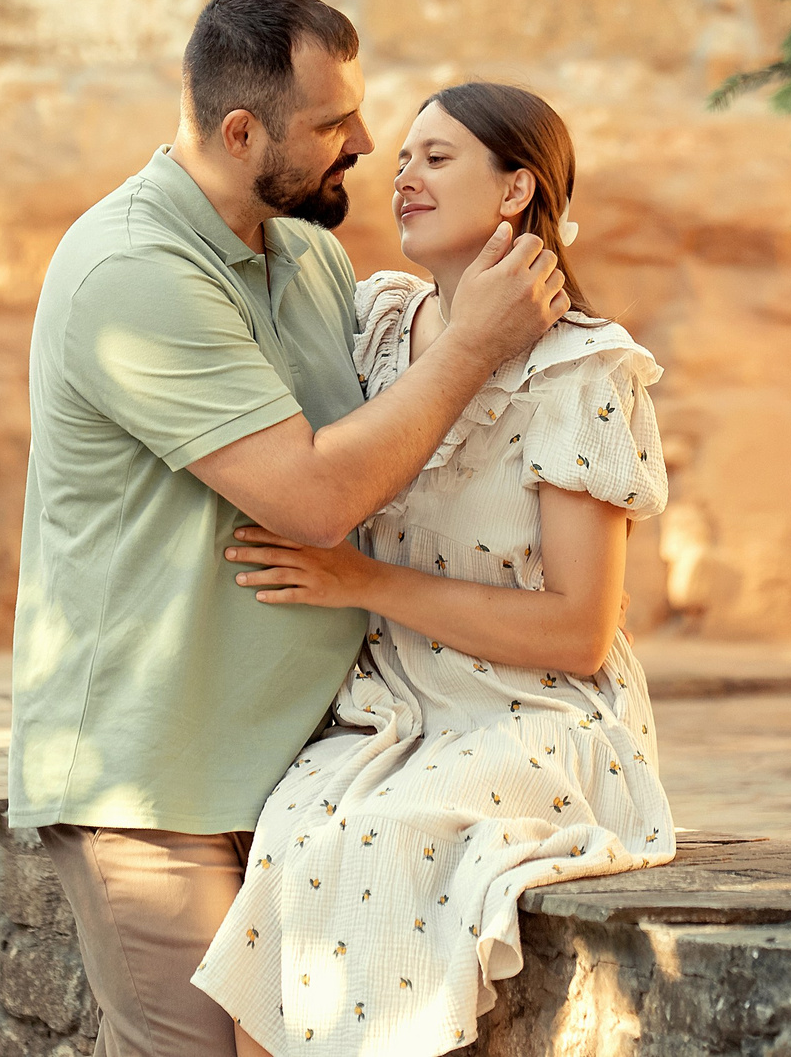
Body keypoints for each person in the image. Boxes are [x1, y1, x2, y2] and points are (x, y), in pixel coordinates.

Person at [8, 0, 572, 1057]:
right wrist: (474, 344)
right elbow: (314, 496)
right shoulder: (133, 270)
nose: (365, 141)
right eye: (330, 124)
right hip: (153, 785)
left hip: (299, 781)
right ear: (237, 130)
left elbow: (394, 448)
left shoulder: (306, 255)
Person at [193, 82, 675, 1056]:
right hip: (387, 713)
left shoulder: (582, 370)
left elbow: (579, 630)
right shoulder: (375, 322)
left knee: (393, 835)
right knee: (289, 833)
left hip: (529, 714)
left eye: (437, 156)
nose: (401, 173)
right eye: (403, 156)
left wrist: (363, 582)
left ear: (514, 192)